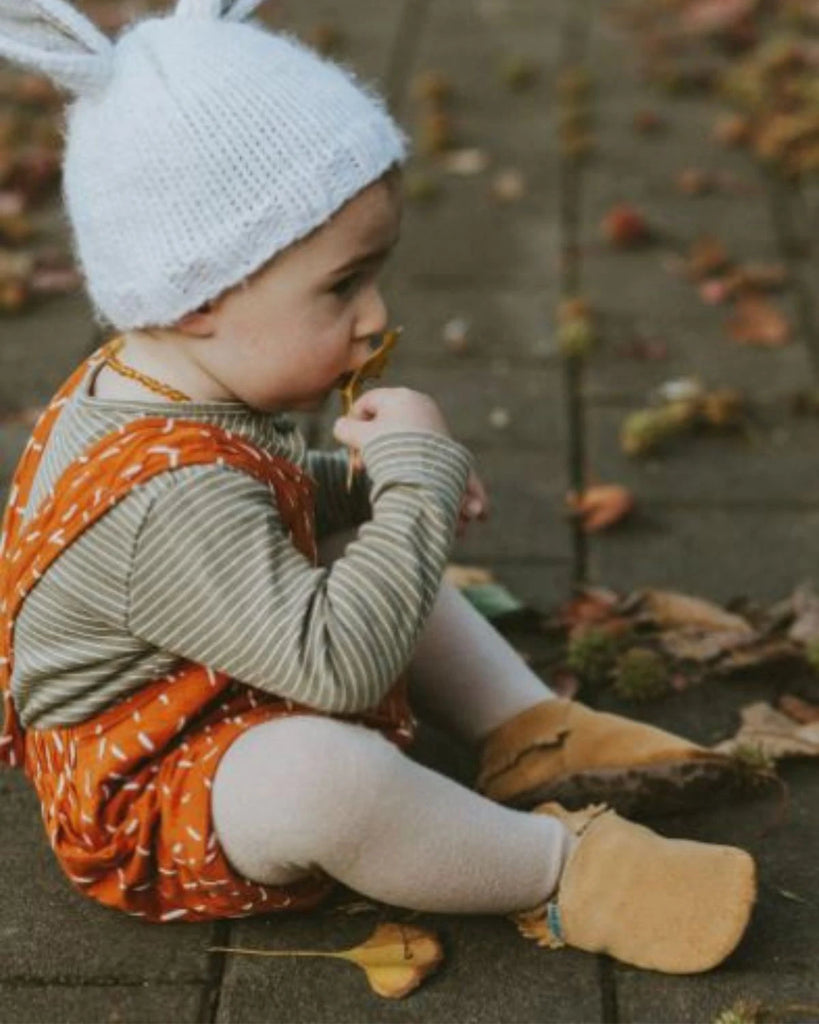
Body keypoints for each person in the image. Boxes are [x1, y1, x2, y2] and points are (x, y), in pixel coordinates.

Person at [0, 0, 756, 974]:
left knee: (383, 561)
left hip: (211, 665)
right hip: (153, 782)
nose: (377, 318)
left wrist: (360, 489)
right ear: (194, 295)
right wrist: (415, 495)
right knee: (327, 780)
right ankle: (562, 873)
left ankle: (527, 728)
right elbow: (336, 666)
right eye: (342, 285)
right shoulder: (165, 500)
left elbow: (254, 506)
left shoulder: (155, 382)